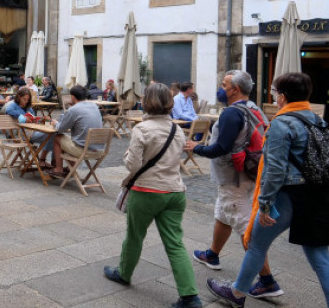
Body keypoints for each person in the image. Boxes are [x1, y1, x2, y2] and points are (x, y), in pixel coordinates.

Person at [207, 72, 329, 307]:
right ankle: (248, 288)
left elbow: (274, 170)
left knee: (255, 242)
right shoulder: (318, 120)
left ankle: (238, 293)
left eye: (275, 93)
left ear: (282, 97)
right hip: (318, 195)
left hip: (289, 196)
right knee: (319, 257)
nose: (274, 98)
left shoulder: (282, 123)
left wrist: (265, 204)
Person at [103, 83, 202, 308]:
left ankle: (124, 273)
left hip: (147, 191)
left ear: (147, 102)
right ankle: (190, 296)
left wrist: (127, 155)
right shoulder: (177, 129)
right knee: (175, 243)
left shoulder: (142, 129)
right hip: (175, 191)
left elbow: (133, 165)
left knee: (135, 236)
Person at [184, 70, 279, 295]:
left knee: (244, 227)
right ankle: (212, 254)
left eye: (224, 84)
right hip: (251, 172)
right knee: (223, 212)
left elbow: (221, 148)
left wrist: (196, 148)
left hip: (233, 177)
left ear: (234, 89)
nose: (221, 87)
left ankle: (267, 281)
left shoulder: (231, 114)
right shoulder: (255, 109)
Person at [49, 85, 103, 177]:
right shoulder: (94, 106)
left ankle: (58, 169)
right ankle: (71, 168)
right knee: (75, 139)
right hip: (98, 149)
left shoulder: (74, 109)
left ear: (72, 97)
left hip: (84, 150)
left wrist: (55, 123)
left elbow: (60, 129)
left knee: (57, 137)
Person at [6, 88, 52, 161]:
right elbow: (8, 110)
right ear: (19, 97)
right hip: (23, 134)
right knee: (51, 136)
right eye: (24, 99)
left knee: (52, 135)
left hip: (31, 131)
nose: (26, 101)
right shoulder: (14, 105)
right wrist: (22, 116)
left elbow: (33, 118)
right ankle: (43, 160)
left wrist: (42, 120)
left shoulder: (28, 107)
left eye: (28, 99)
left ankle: (46, 160)